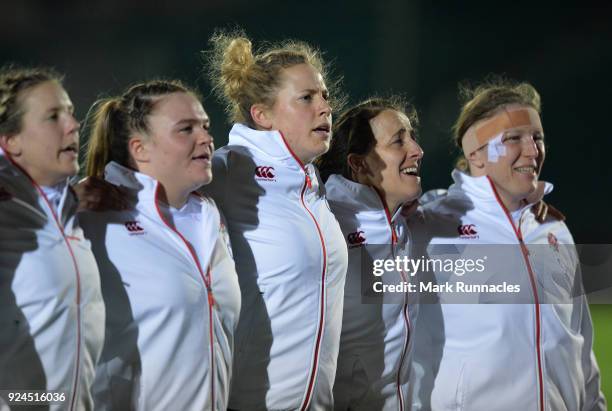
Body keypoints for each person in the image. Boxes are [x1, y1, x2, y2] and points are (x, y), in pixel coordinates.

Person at [409, 79, 606, 410]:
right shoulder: (434, 226)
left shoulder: (554, 230)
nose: (532, 150)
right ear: (477, 154)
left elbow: (579, 343)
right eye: (514, 138)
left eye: (537, 137)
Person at [203, 31, 348, 410]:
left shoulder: (312, 185)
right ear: (262, 115)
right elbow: (157, 192)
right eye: (306, 98)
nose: (324, 108)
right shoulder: (230, 168)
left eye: (325, 96)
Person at [79, 79, 240, 410]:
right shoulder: (93, 216)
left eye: (205, 127)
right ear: (140, 149)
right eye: (186, 129)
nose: (206, 138)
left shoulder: (209, 215)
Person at [0, 66, 104, 410]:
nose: (74, 125)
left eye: (71, 113)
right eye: (53, 117)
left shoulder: (67, 208)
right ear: (10, 141)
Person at [316, 97, 424, 410]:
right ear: (359, 163)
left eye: (412, 137)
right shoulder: (326, 222)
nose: (416, 149)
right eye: (398, 141)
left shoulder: (409, 222)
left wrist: (526, 204)